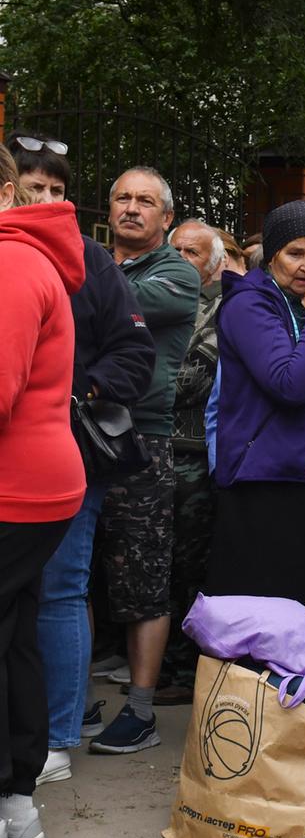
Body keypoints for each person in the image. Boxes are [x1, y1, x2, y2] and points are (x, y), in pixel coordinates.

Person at [9, 134, 154, 784]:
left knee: (61, 590)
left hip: (64, 454)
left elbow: (135, 354)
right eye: (33, 187)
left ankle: (56, 738)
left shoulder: (91, 261)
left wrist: (76, 394)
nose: (45, 200)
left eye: (57, 190)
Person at [90, 166, 200, 754]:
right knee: (72, 576)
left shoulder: (175, 274)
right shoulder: (97, 266)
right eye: (122, 198)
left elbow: (106, 300)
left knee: (143, 579)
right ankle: (70, 700)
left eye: (145, 201)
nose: (132, 208)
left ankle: (140, 710)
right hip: (80, 436)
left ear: (164, 217)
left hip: (141, 441)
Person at [0, 143, 86, 838]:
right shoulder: (29, 257)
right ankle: (16, 808)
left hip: (15, 487)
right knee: (15, 634)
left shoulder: (11, 261)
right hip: (31, 485)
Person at [206, 199, 305, 627]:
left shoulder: (298, 303)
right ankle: (256, 697)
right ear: (271, 255)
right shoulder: (252, 303)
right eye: (295, 253)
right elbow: (290, 384)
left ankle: (301, 696)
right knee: (270, 618)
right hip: (268, 479)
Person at [162, 220, 227, 702]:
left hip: (195, 460)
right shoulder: (159, 301)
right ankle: (160, 663)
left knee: (190, 566)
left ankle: (186, 671)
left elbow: (190, 382)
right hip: (147, 452)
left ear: (214, 264)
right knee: (155, 566)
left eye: (193, 252)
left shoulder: (224, 311)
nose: (183, 258)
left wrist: (138, 377)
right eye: (177, 250)